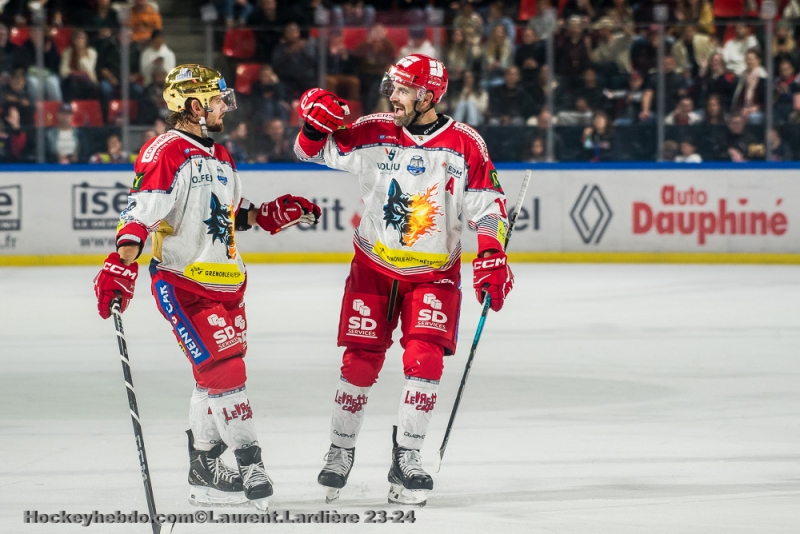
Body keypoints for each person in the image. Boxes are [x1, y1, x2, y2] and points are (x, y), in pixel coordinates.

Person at [92, 64, 321, 510]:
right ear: (194, 105)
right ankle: (250, 461)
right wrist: (120, 262)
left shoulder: (221, 156)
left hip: (227, 283)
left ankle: (205, 468)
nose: (224, 108)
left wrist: (266, 215)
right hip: (184, 284)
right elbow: (140, 213)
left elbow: (226, 215)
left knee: (210, 380)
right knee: (226, 371)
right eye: (217, 100)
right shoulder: (165, 151)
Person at [293, 54, 513, 506]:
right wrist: (313, 127)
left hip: (433, 274)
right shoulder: (374, 129)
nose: (392, 96)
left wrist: (492, 254)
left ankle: (407, 456)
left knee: (425, 359)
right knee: (359, 361)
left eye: (402, 89)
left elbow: (489, 206)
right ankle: (340, 450)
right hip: (373, 268)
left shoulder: (465, 144)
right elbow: (310, 152)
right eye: (391, 86)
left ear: (427, 96)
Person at [59, 29, 98, 101]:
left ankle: (87, 105)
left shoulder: (92, 52)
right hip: (72, 80)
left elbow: (90, 70)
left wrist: (81, 56)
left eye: (82, 38)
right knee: (73, 85)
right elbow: (63, 71)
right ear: (73, 40)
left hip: (88, 80)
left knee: (90, 85)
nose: (79, 40)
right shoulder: (67, 52)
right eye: (77, 38)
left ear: (86, 40)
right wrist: (75, 73)